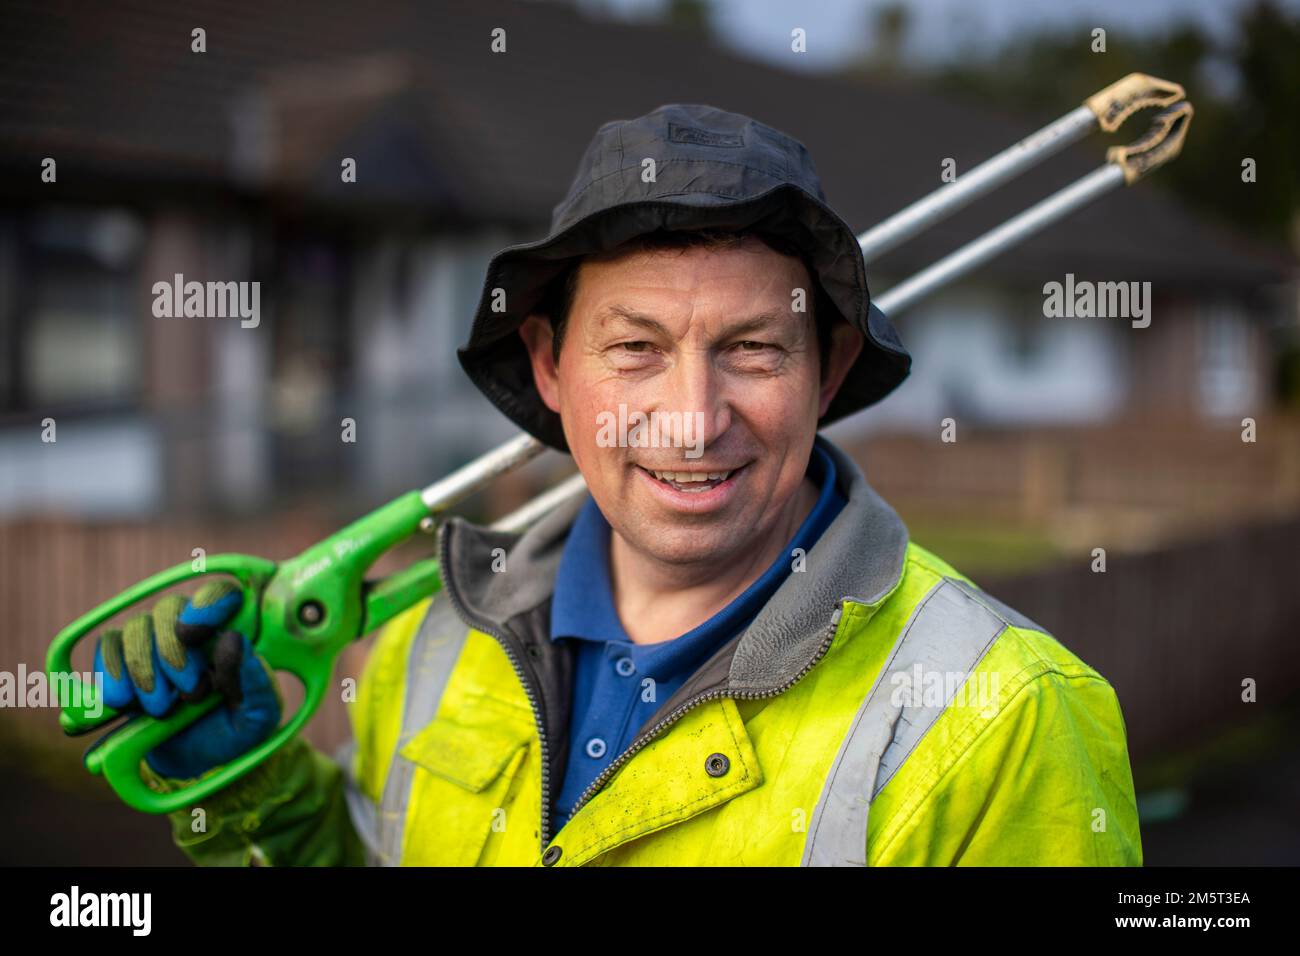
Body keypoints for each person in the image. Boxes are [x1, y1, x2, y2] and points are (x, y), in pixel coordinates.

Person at [98, 104, 1142, 866]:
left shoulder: (1002, 717)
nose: (691, 416)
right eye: (635, 346)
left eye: (751, 349)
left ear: (826, 372)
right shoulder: (440, 643)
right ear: (551, 367)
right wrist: (260, 797)